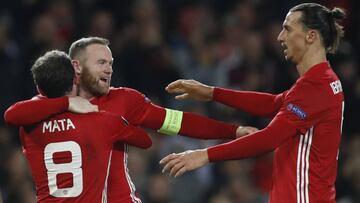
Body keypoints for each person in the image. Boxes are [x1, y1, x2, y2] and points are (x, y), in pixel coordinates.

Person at [4, 37, 258, 202]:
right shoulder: (49, 106)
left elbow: (178, 122)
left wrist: (233, 131)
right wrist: (68, 103)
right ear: (77, 67)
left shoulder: (125, 100)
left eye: (111, 63)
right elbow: (14, 114)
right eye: (102, 62)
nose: (109, 69)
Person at [160, 3, 345, 203]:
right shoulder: (322, 80)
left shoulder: (314, 88)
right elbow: (274, 103)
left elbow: (269, 138)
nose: (280, 37)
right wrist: (212, 93)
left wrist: (205, 155)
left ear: (310, 36)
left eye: (288, 29)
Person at [16, 50, 152, 202]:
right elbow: (145, 140)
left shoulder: (28, 127)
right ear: (75, 80)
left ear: (39, 89)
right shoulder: (102, 121)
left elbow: (12, 114)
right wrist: (119, 122)